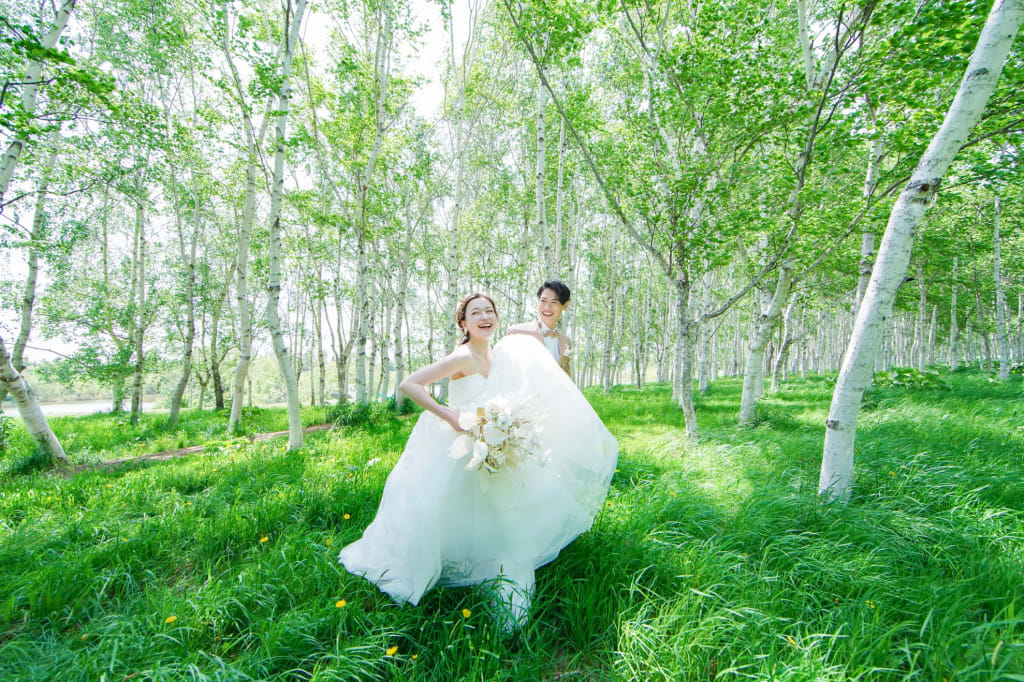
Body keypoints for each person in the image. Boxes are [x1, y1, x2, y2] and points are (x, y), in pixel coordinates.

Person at [339, 292, 617, 631]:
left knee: (506, 513)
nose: (484, 316)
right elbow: (410, 384)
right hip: (457, 444)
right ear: (464, 323)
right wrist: (451, 416)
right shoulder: (463, 356)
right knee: (444, 509)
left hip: (494, 444)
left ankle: (503, 577)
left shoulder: (499, 356)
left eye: (489, 311)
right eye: (476, 313)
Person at [507, 280, 573, 375]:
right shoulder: (517, 332)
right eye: (543, 301)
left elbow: (567, 376)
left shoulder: (566, 342)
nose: (547, 307)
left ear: (565, 306)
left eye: (554, 302)